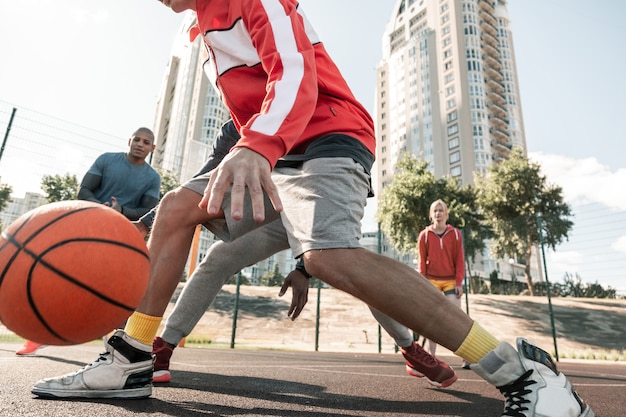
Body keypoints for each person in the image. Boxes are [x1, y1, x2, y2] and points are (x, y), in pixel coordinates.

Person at [32, 2, 593, 416]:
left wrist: (256, 147)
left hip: (327, 138)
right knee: (179, 207)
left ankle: (520, 375)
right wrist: (201, 185)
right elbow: (239, 122)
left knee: (327, 256)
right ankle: (132, 356)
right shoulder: (200, 30)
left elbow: (294, 73)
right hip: (269, 156)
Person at [132, 120, 456, 387]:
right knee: (218, 257)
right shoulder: (235, 121)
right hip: (276, 207)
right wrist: (147, 223)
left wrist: (303, 267)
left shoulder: (300, 102)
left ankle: (410, 349)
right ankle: (164, 345)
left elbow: (324, 188)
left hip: (315, 194)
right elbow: (204, 176)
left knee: (354, 269)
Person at [16, 127, 161, 356]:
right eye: (136, 139)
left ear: (152, 148)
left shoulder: (152, 177)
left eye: (146, 142)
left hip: (120, 237)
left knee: (121, 292)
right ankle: (39, 334)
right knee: (62, 281)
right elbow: (84, 190)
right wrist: (101, 208)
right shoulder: (107, 160)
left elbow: (147, 210)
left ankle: (116, 350)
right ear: (129, 140)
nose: (140, 144)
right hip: (88, 228)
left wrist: (120, 210)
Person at [417, 199, 470, 369]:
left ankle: (466, 356)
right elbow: (421, 263)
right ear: (431, 215)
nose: (438, 213)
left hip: (450, 282)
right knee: (433, 320)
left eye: (441, 210)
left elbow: (460, 261)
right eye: (435, 211)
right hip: (431, 281)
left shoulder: (455, 234)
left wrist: (459, 282)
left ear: (446, 214)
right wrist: (423, 284)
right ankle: (432, 357)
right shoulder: (424, 235)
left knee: (457, 318)